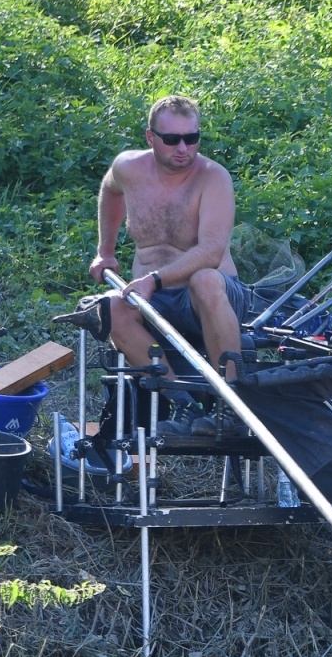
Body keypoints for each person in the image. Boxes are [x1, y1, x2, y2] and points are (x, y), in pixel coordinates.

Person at [89, 94, 246, 434]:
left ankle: (231, 406)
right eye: (172, 139)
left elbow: (211, 252)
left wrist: (154, 280)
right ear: (150, 137)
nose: (183, 148)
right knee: (111, 308)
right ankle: (180, 402)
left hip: (209, 297)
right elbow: (109, 189)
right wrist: (106, 250)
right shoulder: (128, 168)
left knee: (204, 278)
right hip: (155, 300)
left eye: (192, 138)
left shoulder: (213, 177)